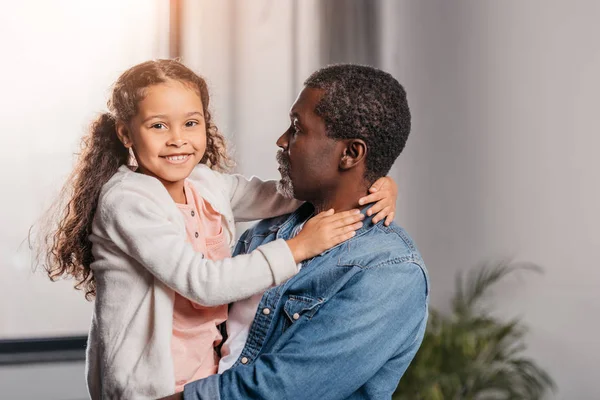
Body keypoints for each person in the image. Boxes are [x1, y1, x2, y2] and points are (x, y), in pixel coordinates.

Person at [34, 60, 399, 399]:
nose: (177, 138)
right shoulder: (129, 201)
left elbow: (279, 195)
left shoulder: (205, 184)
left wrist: (373, 182)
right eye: (158, 125)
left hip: (203, 376)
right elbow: (202, 283)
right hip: (151, 388)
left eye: (190, 123)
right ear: (126, 134)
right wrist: (297, 248)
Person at [172, 64, 430, 400]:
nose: (282, 140)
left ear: (350, 153)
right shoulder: (271, 229)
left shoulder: (389, 272)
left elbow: (282, 389)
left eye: (297, 128)